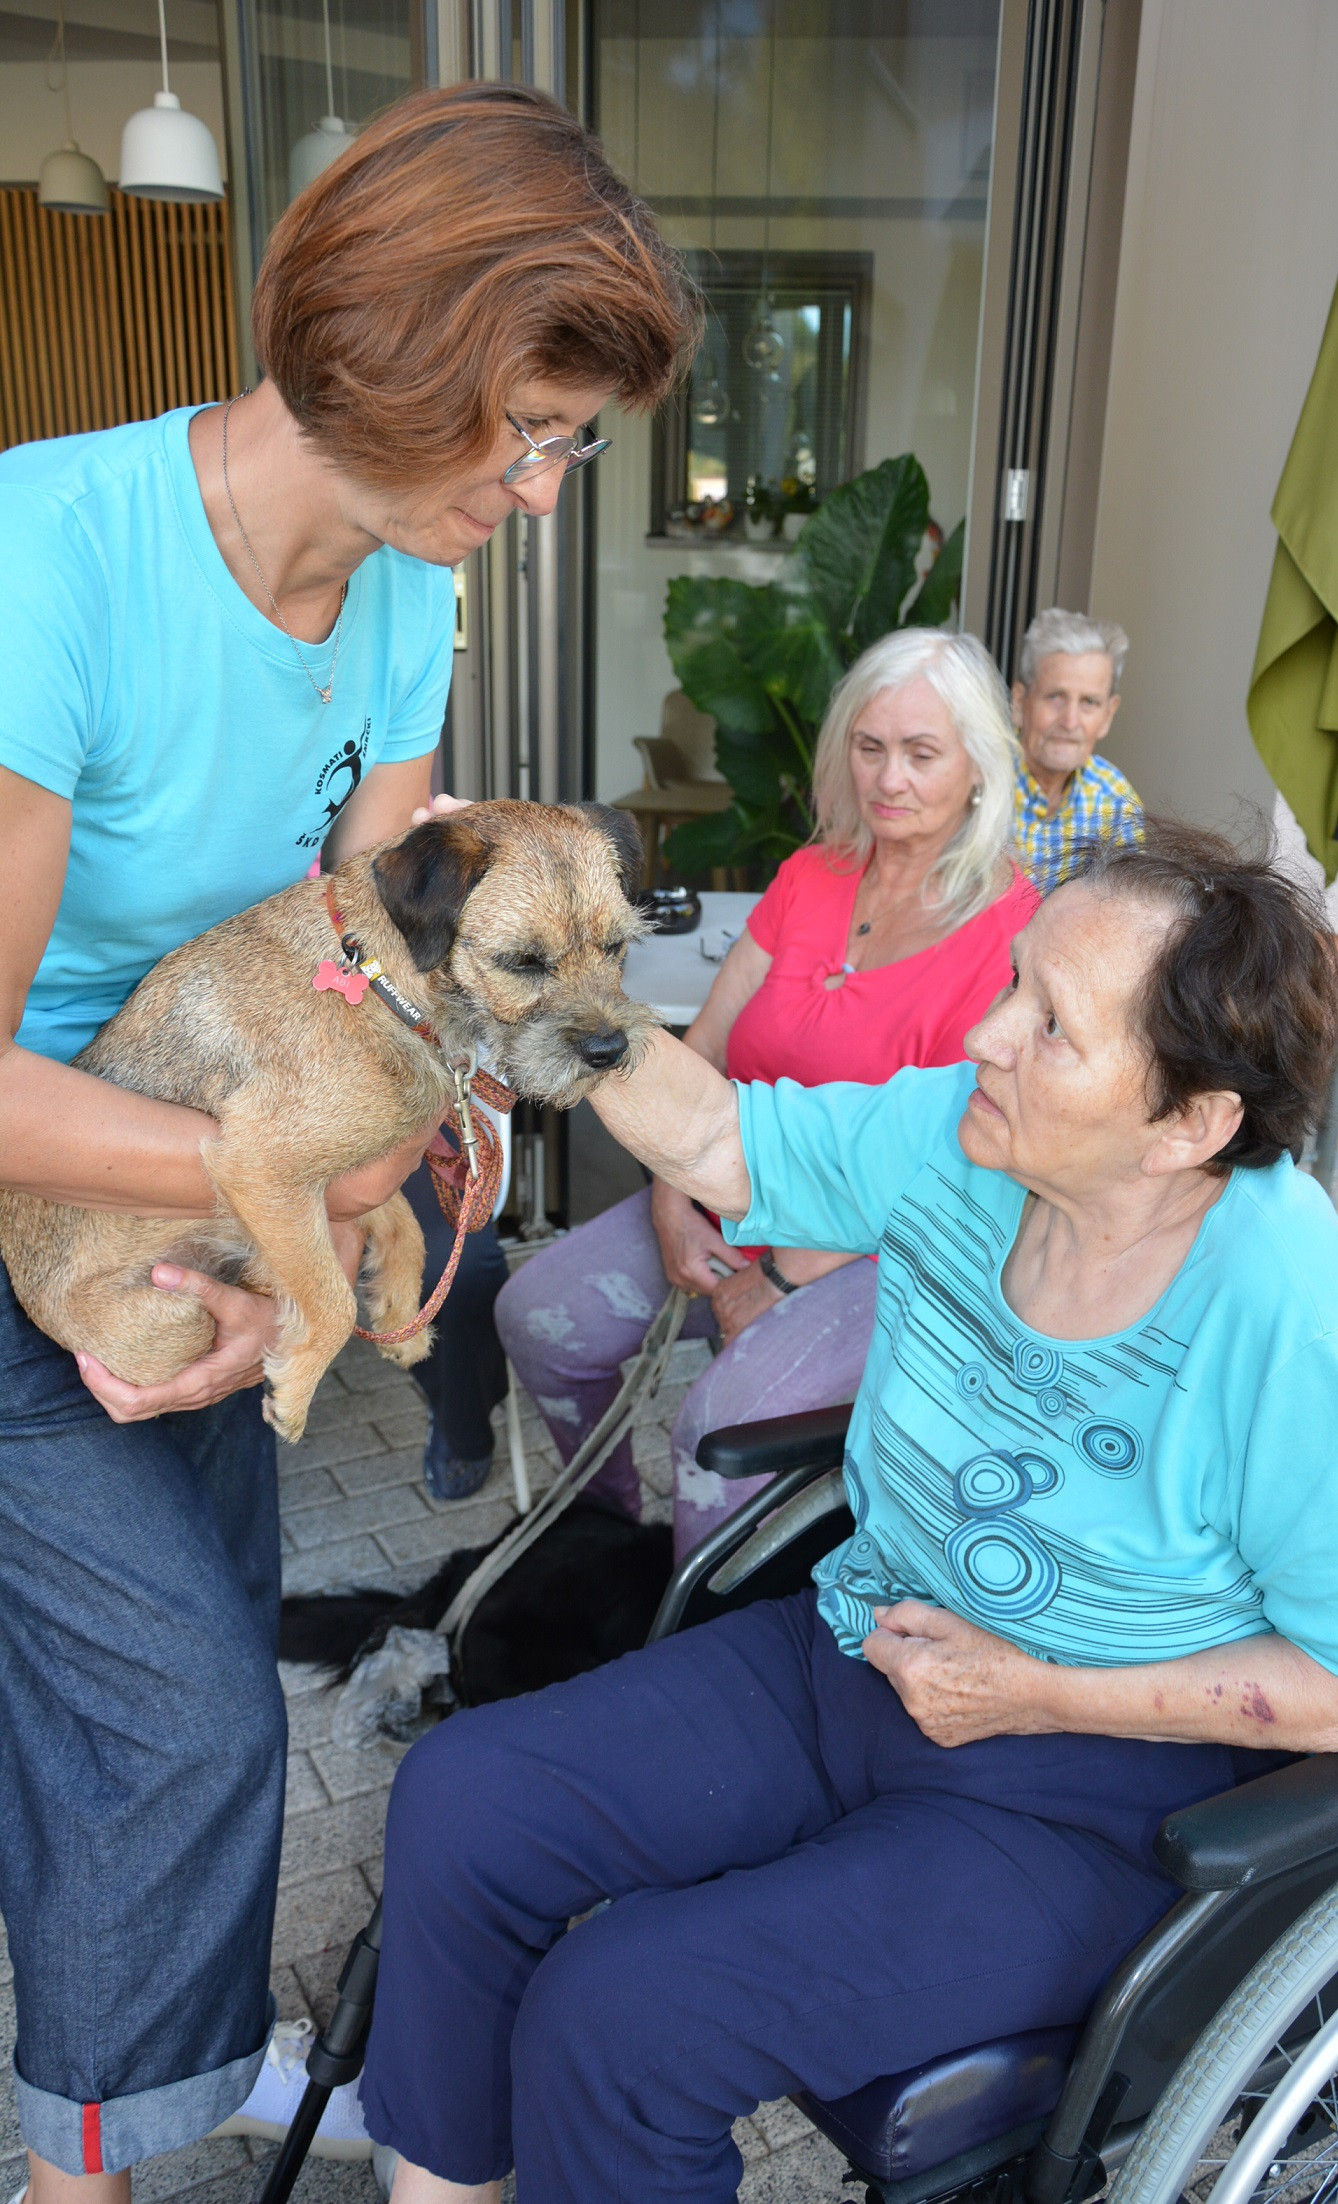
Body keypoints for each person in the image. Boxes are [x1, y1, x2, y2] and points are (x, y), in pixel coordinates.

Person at [358, 821, 1338, 2204]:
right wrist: (538, 995)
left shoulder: (1293, 1323)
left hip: (1088, 1794)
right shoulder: (964, 1135)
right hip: (863, 1645)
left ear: (1189, 1123)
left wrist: (1039, 1690)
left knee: (625, 2012)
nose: (988, 1036)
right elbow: (720, 1136)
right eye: (1014, 982)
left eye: (1050, 1026)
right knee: (468, 1796)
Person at [0, 84, 695, 2201]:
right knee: (185, 1724)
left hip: (225, 1181)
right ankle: (83, 2159)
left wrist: (399, 1167)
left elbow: (373, 978)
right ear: (391, 351)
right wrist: (272, 1196)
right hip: (50, 1186)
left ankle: (143, 2059)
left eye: (574, 442)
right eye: (531, 432)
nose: (547, 490)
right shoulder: (52, 557)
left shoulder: (403, 596)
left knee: (188, 1638)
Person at [496, 628, 1038, 1559]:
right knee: (538, 1317)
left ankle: (708, 1631)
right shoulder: (812, 875)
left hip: (877, 1246)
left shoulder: (1014, 930)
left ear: (981, 767)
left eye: (921, 753)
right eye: (870, 748)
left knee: (718, 1433)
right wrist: (670, 1196)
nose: (889, 779)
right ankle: (606, 1534)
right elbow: (701, 1046)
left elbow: (947, 1156)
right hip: (726, 1186)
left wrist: (781, 1275)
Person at [1010, 606, 1143, 893]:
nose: (1070, 722)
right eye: (1055, 697)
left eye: (1089, 703)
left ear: (1108, 715)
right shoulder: (973, 783)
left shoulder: (1115, 801)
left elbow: (1126, 913)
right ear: (1020, 702)